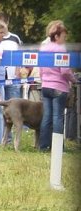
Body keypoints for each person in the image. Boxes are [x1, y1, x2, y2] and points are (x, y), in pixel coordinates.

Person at [38, 21, 77, 152]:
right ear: (56, 36)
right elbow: (65, 71)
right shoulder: (61, 49)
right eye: (63, 37)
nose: (64, 40)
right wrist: (73, 79)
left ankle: (43, 147)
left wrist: (44, 81)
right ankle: (58, 148)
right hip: (59, 87)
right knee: (58, 118)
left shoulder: (43, 49)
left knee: (46, 118)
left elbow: (41, 69)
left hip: (46, 86)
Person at [0, 12, 23, 101]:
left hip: (13, 78)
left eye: (1, 24)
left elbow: (20, 56)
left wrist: (17, 72)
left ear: (7, 23)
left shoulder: (15, 38)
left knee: (14, 106)